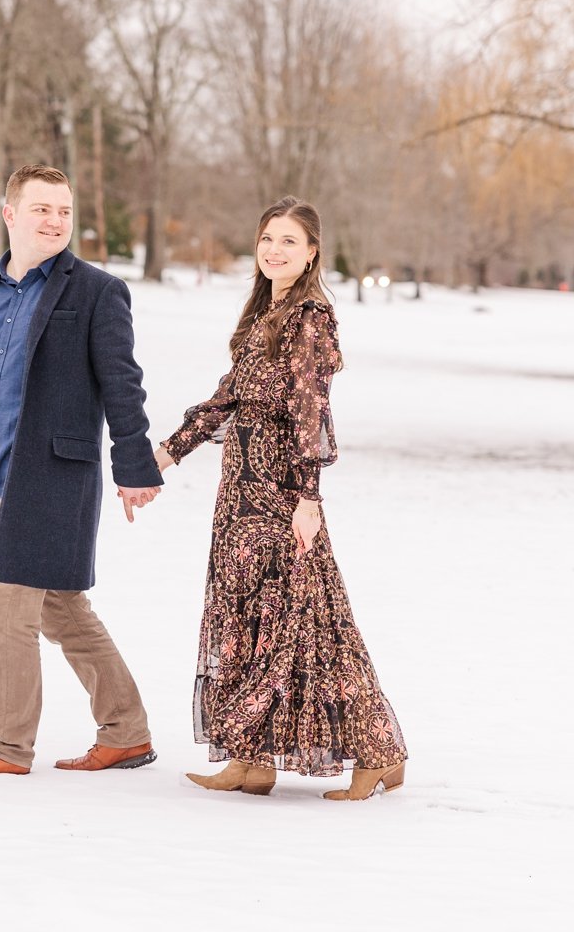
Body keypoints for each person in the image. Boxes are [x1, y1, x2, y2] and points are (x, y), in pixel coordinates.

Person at [154, 196, 408, 801]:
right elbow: (227, 398)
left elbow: (312, 409)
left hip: (282, 489)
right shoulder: (262, 312)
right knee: (244, 618)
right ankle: (251, 757)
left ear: (313, 251)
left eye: (289, 241)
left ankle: (377, 755)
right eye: (268, 238)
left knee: (307, 621)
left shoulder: (310, 317)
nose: (274, 249)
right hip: (238, 488)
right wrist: (167, 451)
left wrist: (308, 496)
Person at [0, 164, 163, 780]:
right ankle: (126, 732)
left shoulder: (96, 292)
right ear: (10, 215)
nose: (55, 221)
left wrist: (135, 465)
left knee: (8, 612)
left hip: (52, 479)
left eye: (63, 210)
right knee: (63, 611)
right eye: (41, 209)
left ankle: (5, 745)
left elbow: (122, 385)